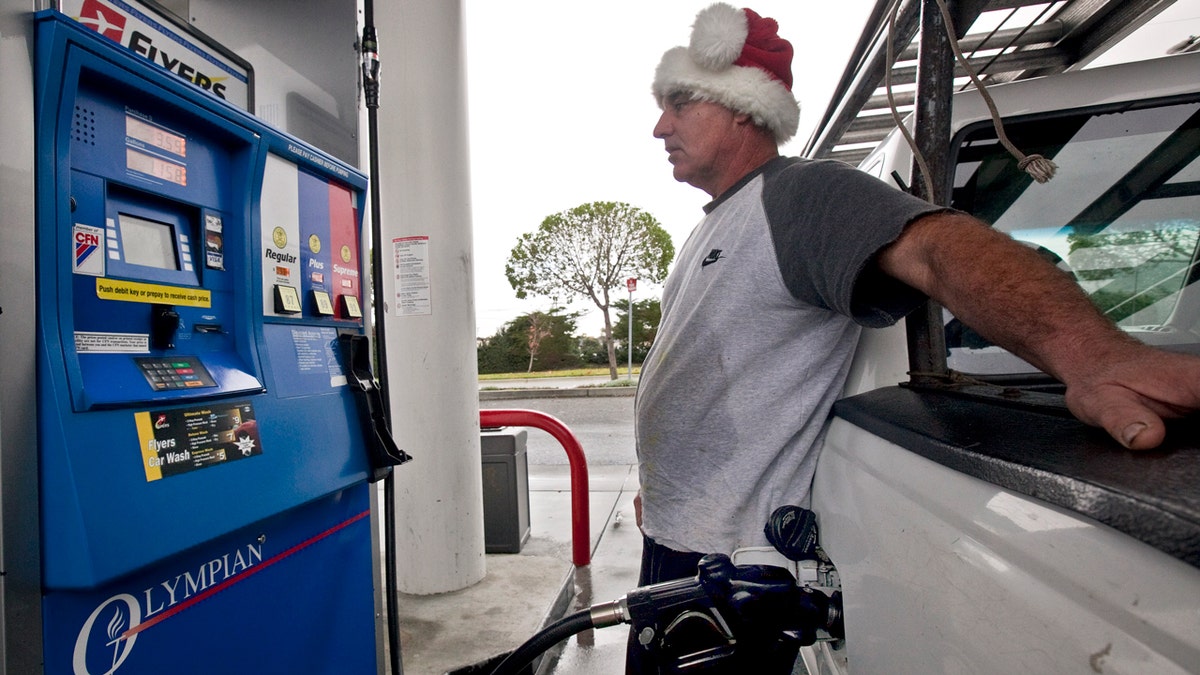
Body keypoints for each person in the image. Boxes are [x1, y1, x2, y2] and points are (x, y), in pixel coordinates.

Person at [628, 3, 1200, 672]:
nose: (660, 125)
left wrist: (1095, 356)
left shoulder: (800, 195)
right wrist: (660, 482)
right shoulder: (714, 226)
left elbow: (938, 249)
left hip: (734, 568)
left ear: (741, 109)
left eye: (680, 103)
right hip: (677, 539)